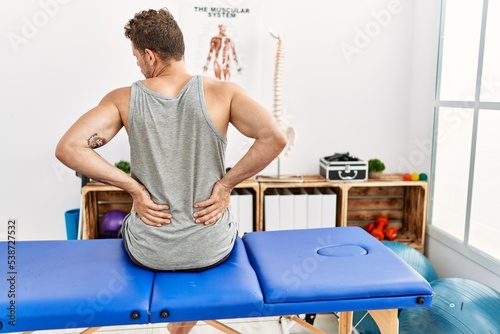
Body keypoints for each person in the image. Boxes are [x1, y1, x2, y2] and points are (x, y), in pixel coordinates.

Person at [55, 8, 286, 334]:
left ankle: (176, 323)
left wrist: (133, 189)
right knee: (206, 252)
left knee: (134, 236)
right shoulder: (224, 93)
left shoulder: (124, 98)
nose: (137, 64)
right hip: (211, 246)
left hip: (149, 249)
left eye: (136, 57)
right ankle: (180, 324)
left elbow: (68, 147)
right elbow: (275, 137)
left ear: (150, 55)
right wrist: (226, 186)